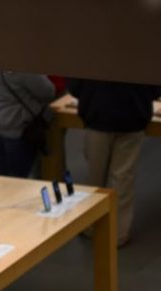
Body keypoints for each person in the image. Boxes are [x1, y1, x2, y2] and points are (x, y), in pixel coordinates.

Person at [67, 78, 161, 247]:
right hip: (133, 118)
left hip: (98, 116)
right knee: (123, 179)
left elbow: (75, 85)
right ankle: (119, 234)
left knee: (95, 177)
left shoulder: (93, 54)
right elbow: (155, 88)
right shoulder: (143, 55)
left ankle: (90, 225)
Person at [0, 70, 56, 177]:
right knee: (20, 177)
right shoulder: (23, 65)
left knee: (4, 174)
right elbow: (47, 92)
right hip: (18, 124)